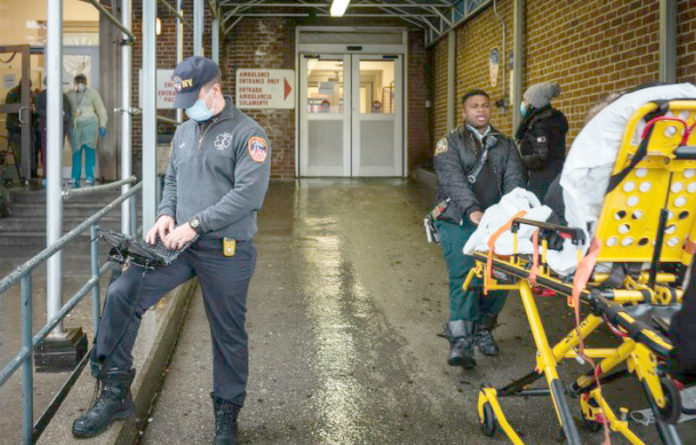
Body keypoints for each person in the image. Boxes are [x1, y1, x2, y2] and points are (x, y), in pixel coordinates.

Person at [71, 56, 272, 445]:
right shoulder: (183, 133)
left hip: (226, 248)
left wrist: (196, 224)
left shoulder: (250, 134)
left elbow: (249, 195)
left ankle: (226, 416)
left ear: (214, 90)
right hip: (178, 243)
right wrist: (165, 214)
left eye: (193, 99)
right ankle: (115, 393)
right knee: (122, 292)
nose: (186, 110)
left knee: (227, 333)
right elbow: (174, 181)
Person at [432, 89, 525, 368]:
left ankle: (483, 329)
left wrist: (508, 213)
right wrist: (473, 210)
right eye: (474, 106)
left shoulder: (506, 144)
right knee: (465, 274)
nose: (481, 110)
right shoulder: (449, 142)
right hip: (457, 218)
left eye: (485, 106)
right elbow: (452, 180)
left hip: (497, 222)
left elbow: (515, 180)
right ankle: (461, 341)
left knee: (502, 274)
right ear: (465, 112)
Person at [515, 82, 568, 200]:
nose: (523, 103)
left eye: (526, 100)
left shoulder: (541, 125)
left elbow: (541, 157)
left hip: (541, 182)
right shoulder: (551, 120)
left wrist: (518, 161)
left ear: (535, 104)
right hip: (553, 177)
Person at [65, 74, 107, 187]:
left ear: (85, 82)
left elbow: (101, 109)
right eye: (78, 82)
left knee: (89, 151)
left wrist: (103, 124)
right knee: (76, 152)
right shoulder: (69, 95)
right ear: (74, 83)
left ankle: (90, 176)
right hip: (75, 125)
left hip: (89, 124)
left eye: (81, 82)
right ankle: (75, 176)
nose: (80, 84)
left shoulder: (92, 93)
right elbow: (65, 108)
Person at [36, 78, 72, 187]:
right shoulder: (42, 95)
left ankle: (56, 175)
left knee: (57, 151)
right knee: (46, 151)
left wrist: (63, 117)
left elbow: (68, 113)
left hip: (60, 128)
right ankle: (46, 176)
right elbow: (38, 110)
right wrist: (52, 113)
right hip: (46, 126)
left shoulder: (63, 96)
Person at [4, 79, 35, 177]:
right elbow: (9, 107)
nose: (29, 88)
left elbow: (33, 107)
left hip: (26, 126)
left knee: (30, 150)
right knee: (18, 151)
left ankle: (29, 173)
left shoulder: (31, 93)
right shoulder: (13, 93)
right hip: (15, 127)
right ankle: (22, 174)